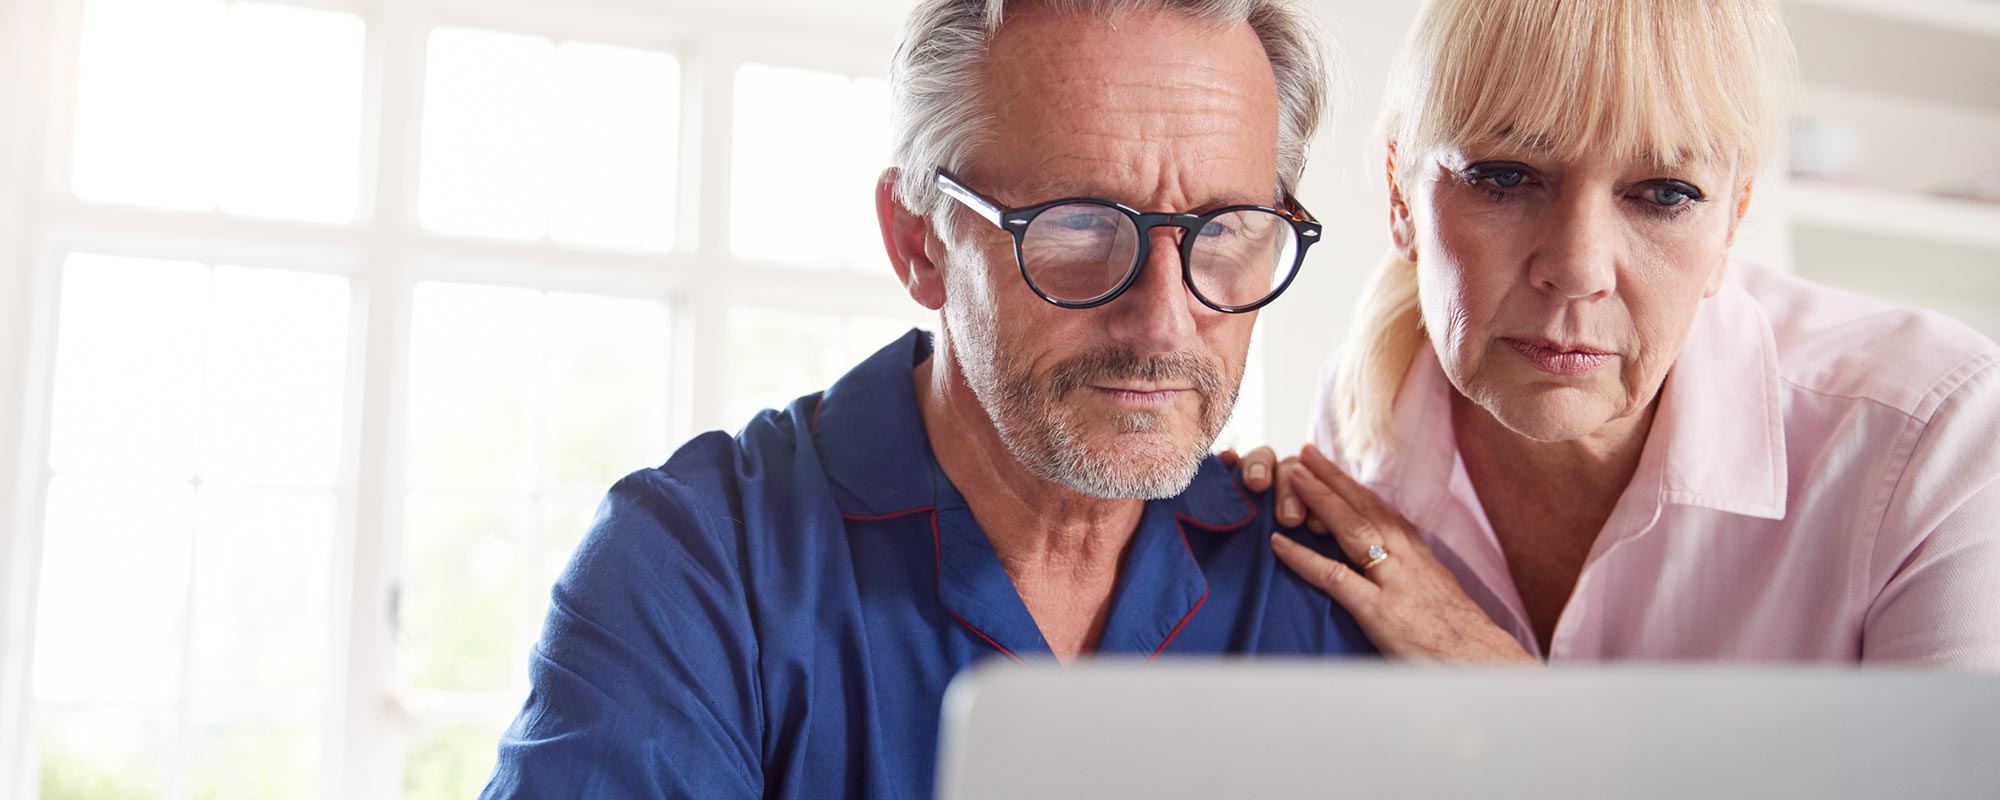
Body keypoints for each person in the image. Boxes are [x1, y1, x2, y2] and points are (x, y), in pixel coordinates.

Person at [480, 1, 1372, 797]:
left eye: (1225, 232)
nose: (1165, 323)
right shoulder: (699, 570)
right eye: (1080, 226)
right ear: (918, 240)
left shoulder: (1314, 586)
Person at [1236, 0, 2000, 667]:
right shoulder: (1368, 408)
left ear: (1731, 224)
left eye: (1664, 194)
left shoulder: (1937, 440)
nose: (1576, 269)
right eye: (1505, 176)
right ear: (1403, 199)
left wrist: (1502, 694)